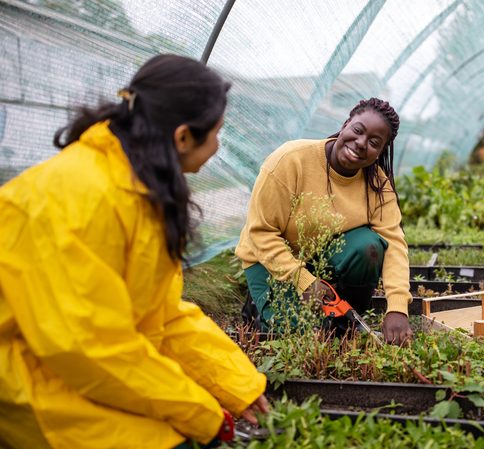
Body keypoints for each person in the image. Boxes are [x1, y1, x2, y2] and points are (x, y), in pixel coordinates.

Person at [0, 54, 268, 449]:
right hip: (27, 377)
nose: (218, 144)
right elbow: (89, 348)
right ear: (182, 137)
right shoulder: (78, 197)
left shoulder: (137, 188)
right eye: (216, 132)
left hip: (78, 366)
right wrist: (201, 412)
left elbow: (161, 315)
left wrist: (237, 384)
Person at [236, 97, 413, 345]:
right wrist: (304, 281)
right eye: (357, 130)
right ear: (345, 124)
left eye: (374, 142)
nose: (361, 143)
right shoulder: (291, 160)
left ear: (381, 151)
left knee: (368, 246)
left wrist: (397, 307)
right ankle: (258, 306)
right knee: (302, 336)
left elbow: (393, 243)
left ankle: (343, 323)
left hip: (322, 257)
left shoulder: (377, 185)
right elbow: (260, 232)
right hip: (269, 261)